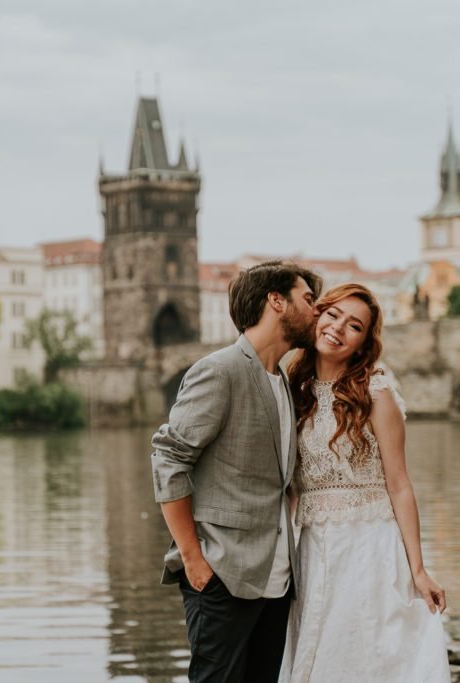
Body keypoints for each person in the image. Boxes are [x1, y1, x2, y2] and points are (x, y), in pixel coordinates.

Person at [151, 260, 322, 683]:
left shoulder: (281, 380)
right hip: (221, 574)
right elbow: (169, 460)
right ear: (276, 302)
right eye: (308, 299)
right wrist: (193, 560)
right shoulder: (220, 370)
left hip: (277, 580)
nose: (316, 311)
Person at [278, 282, 448, 682]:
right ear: (317, 315)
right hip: (312, 547)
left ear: (362, 342)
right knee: (316, 647)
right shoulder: (292, 387)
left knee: (366, 647)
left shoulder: (375, 391)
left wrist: (418, 569)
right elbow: (290, 487)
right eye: (332, 314)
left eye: (354, 326)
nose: (337, 328)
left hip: (369, 544)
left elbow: (400, 484)